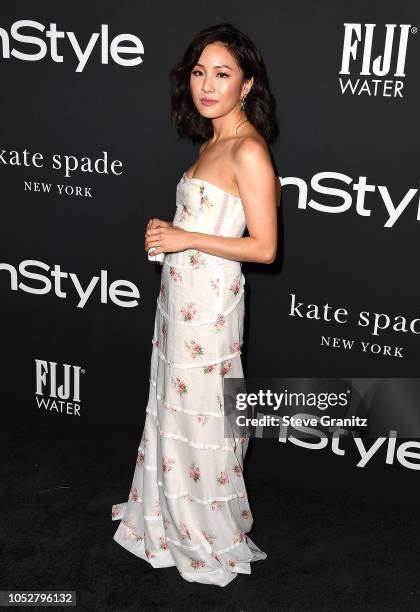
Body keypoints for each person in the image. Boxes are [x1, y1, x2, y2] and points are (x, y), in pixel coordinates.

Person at [111, 22, 280, 587]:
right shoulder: (213, 142)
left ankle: (206, 530)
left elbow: (264, 246)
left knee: (205, 415)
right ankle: (165, 517)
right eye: (199, 72)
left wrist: (186, 239)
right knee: (176, 407)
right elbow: (205, 221)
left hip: (210, 309)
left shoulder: (249, 149)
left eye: (223, 73)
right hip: (179, 301)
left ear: (247, 83)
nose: (207, 85)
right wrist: (170, 235)